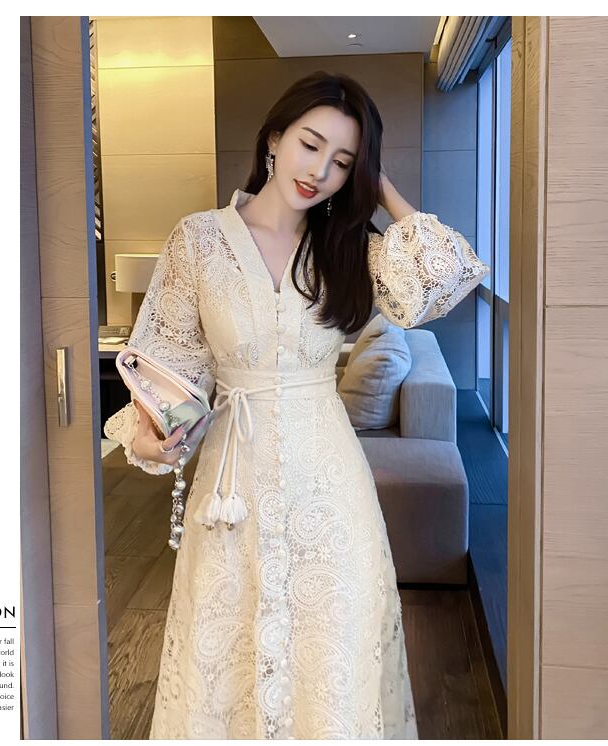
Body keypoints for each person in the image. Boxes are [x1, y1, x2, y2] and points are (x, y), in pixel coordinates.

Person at [104, 70, 490, 739]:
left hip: (330, 485)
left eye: (342, 161)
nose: (319, 171)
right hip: (232, 483)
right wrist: (150, 438)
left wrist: (378, 183)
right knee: (225, 651)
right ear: (274, 138)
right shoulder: (198, 241)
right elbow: (166, 369)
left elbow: (447, 272)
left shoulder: (349, 250)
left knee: (330, 654)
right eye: (311, 144)